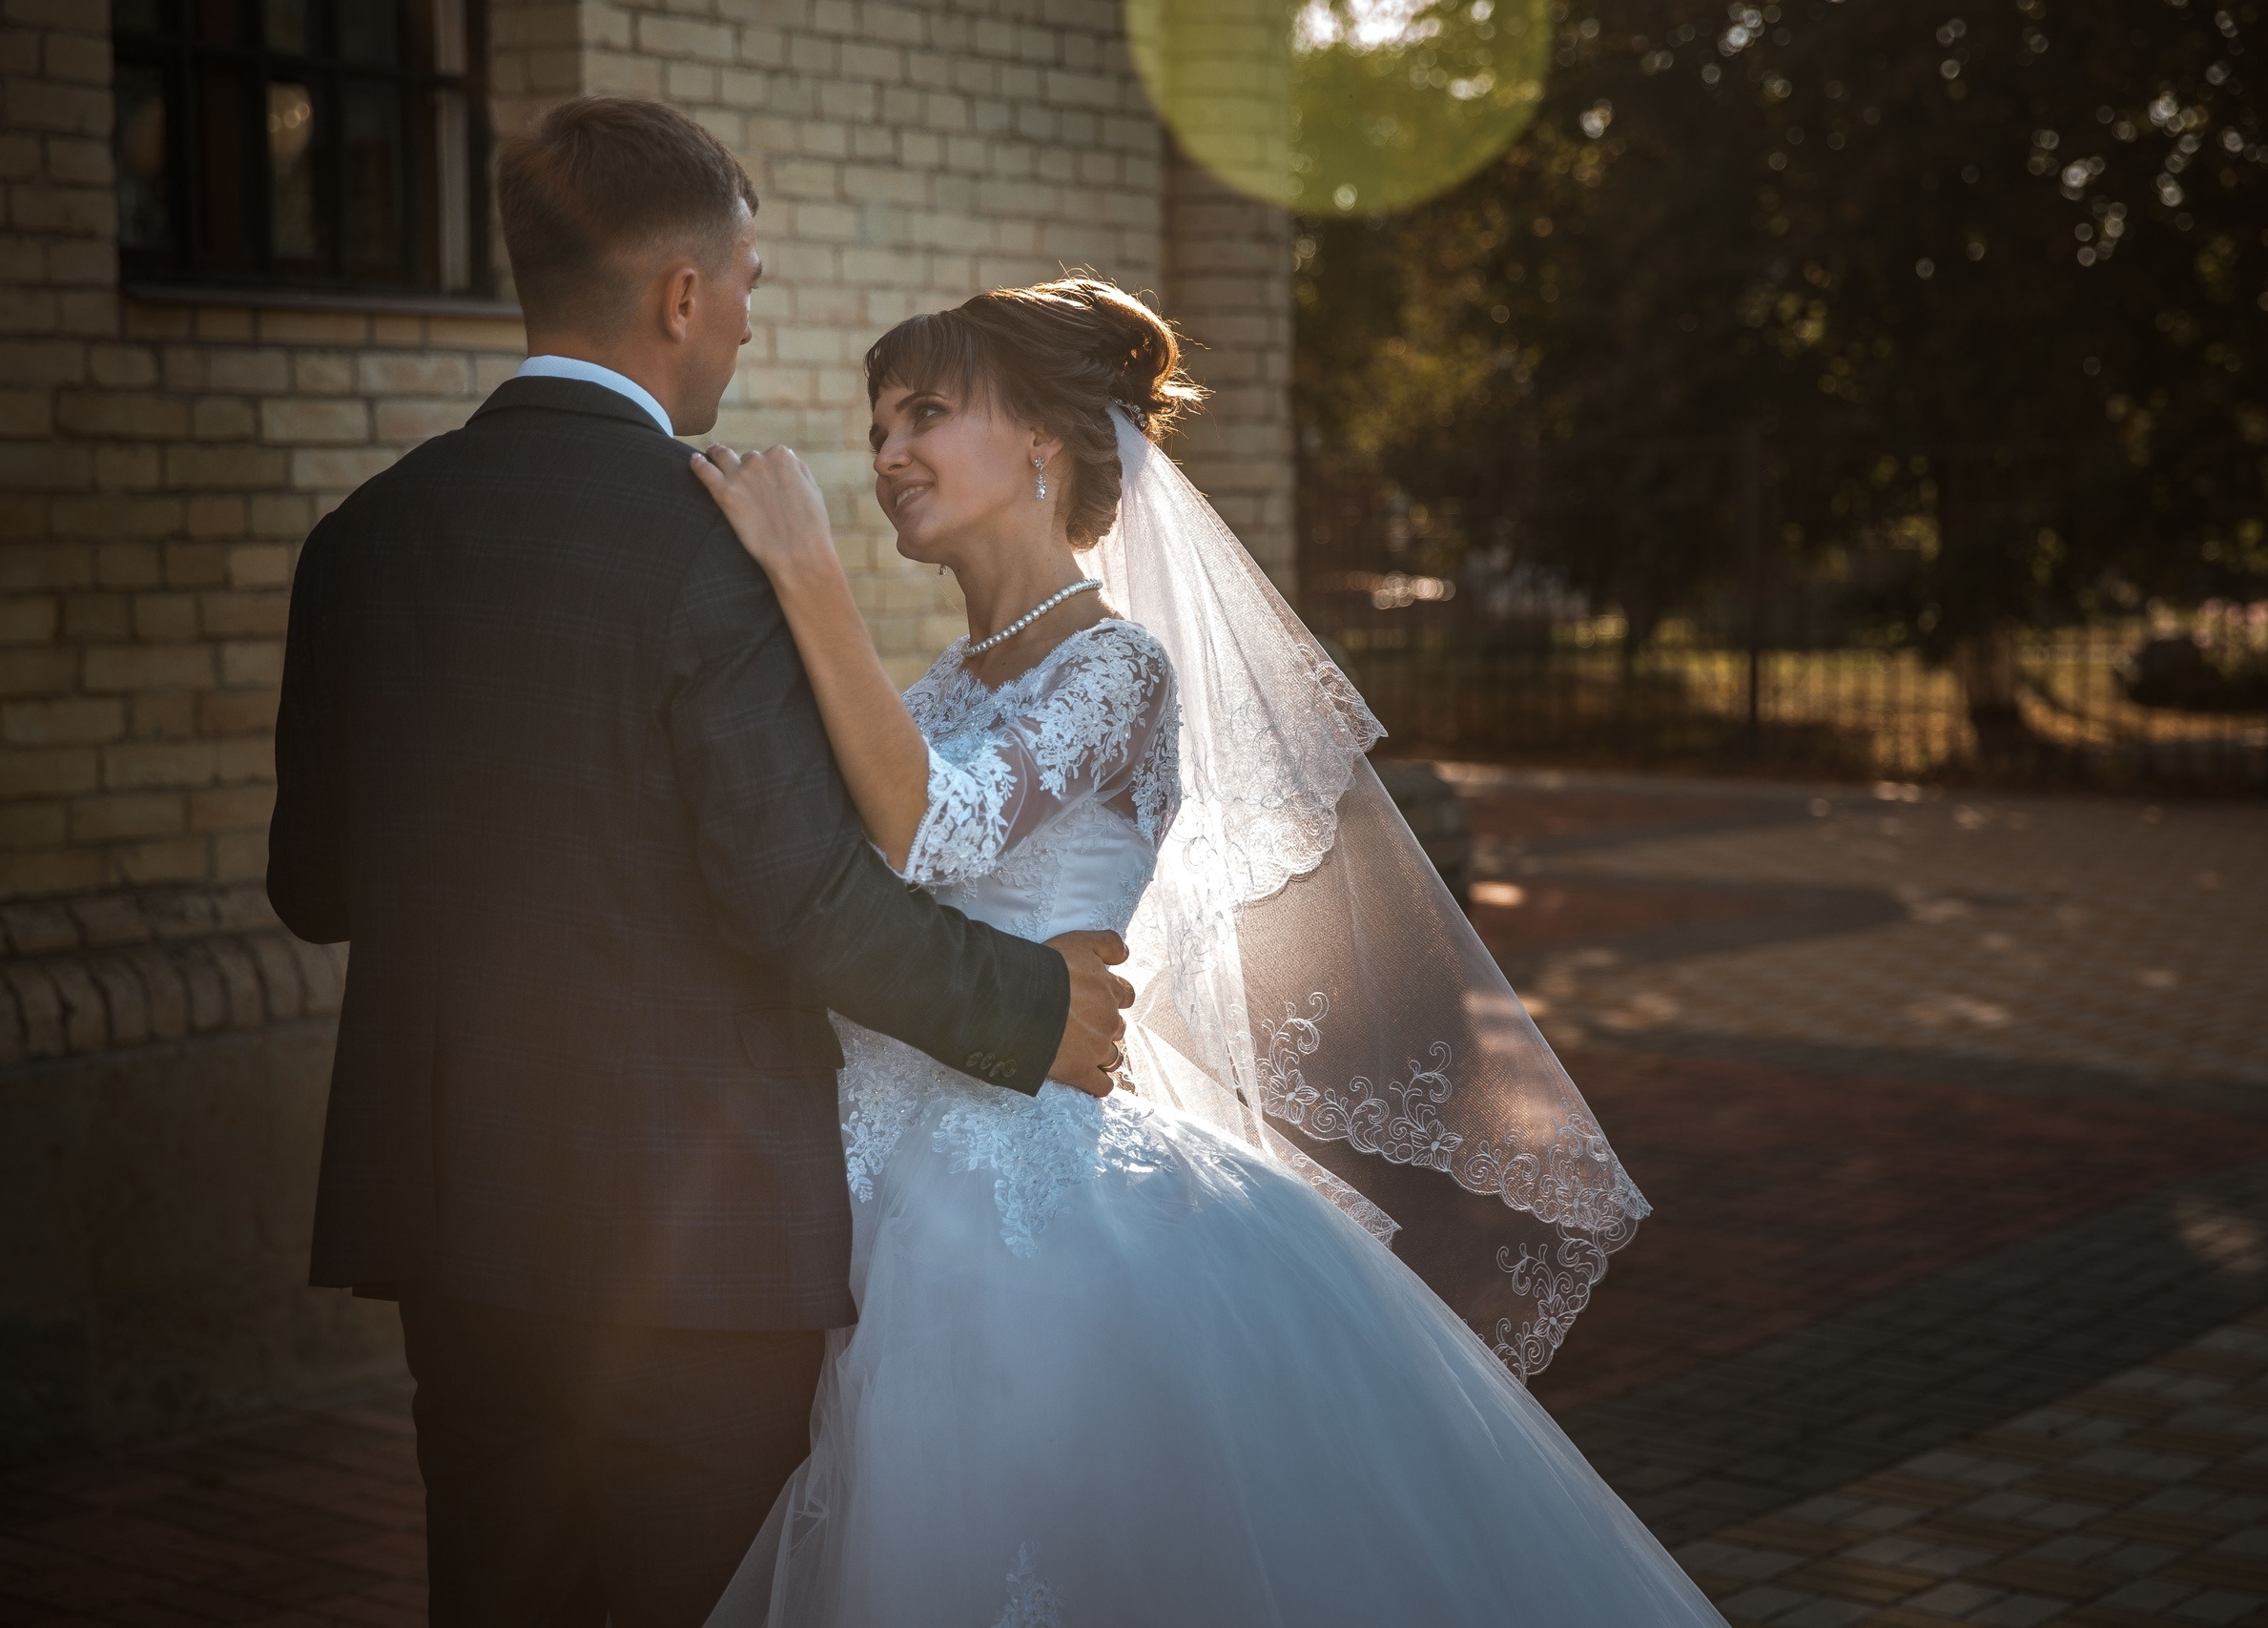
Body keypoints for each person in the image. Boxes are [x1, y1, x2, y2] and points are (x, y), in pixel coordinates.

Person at [691, 278, 1724, 1626]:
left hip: (1011, 1214)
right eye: (878, 425)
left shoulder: (1120, 671)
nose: (886, 456)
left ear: (1048, 444)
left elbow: (934, 826)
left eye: (925, 415)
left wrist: (805, 572)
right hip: (876, 1177)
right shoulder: (942, 689)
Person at [265, 99, 1137, 1628]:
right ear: (680, 297)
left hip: (453, 1211)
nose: (749, 315)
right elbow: (803, 901)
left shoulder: (361, 539)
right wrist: (1030, 1009)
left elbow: (314, 890)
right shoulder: (710, 554)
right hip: (696, 1239)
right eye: (744, 279)